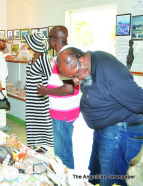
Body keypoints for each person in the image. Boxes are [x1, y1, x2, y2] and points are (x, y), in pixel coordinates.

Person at [57, 47, 143, 186]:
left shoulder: (111, 72)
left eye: (75, 75)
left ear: (82, 60)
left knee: (110, 179)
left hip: (120, 132)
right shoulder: (92, 62)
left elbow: (140, 101)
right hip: (106, 129)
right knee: (96, 173)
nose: (75, 80)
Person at [37, 26, 80, 169]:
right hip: (68, 110)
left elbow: (69, 88)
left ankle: (66, 180)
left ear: (54, 39)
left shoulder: (64, 56)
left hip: (63, 113)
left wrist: (46, 91)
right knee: (66, 148)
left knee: (62, 154)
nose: (48, 40)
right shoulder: (71, 52)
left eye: (48, 37)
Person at [23, 32, 52, 153]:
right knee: (32, 118)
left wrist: (45, 91)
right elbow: (31, 73)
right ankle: (33, 143)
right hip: (31, 95)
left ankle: (45, 145)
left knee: (42, 119)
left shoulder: (44, 58)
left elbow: (49, 76)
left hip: (40, 96)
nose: (28, 46)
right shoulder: (34, 56)